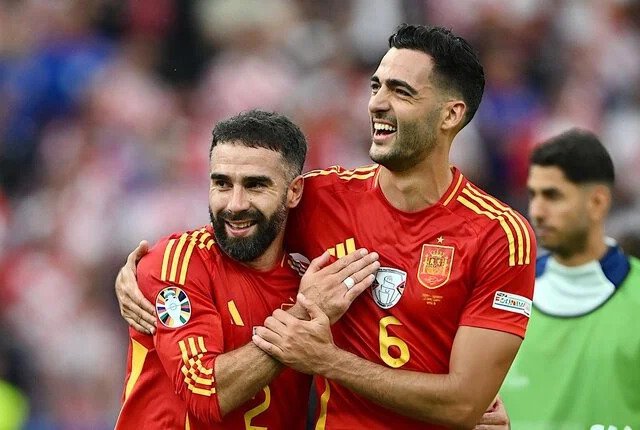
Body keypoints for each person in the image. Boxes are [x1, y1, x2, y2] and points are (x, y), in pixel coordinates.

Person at [117, 24, 533, 429]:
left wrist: (330, 361)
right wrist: (138, 274)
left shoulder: (499, 235)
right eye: (376, 87)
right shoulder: (321, 198)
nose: (377, 103)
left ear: (451, 114)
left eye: (400, 91)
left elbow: (463, 404)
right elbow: (233, 225)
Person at [114, 109, 380, 429]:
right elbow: (206, 393)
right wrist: (302, 314)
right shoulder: (176, 263)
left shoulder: (307, 278)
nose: (235, 204)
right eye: (222, 184)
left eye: (255, 186)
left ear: (293, 192)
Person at [500, 128, 640, 428]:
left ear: (598, 202)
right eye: (533, 194)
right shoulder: (504, 292)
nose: (536, 211)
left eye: (552, 195)